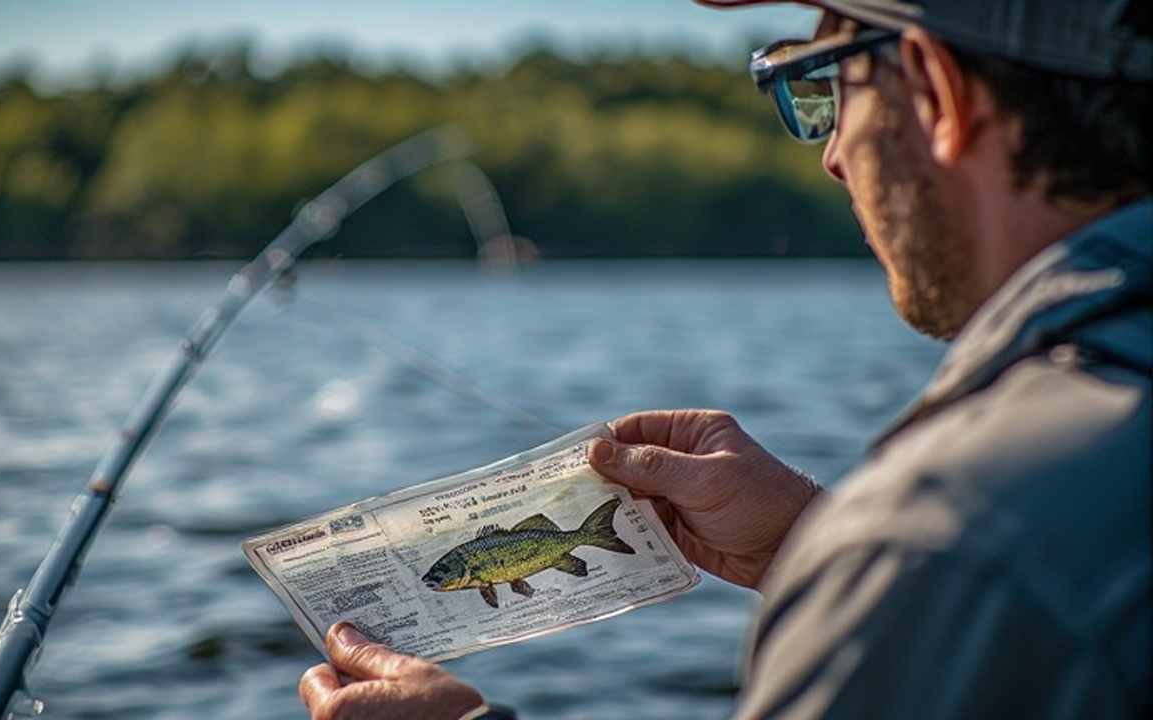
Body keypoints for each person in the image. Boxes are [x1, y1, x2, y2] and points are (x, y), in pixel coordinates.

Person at [298, 1, 1153, 717]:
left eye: (825, 85)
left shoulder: (941, 543)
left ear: (936, 90)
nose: (831, 156)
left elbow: (988, 580)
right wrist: (806, 543)